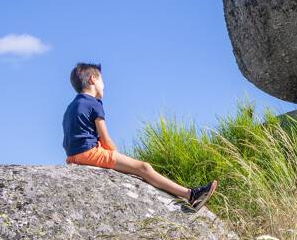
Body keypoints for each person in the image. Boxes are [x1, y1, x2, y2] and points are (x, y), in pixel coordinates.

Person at [63, 62, 215, 211]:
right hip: (88, 153)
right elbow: (105, 138)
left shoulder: (71, 106)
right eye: (102, 81)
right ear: (93, 80)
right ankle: (191, 195)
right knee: (143, 167)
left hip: (72, 157)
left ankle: (190, 194)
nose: (104, 85)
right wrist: (116, 155)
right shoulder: (94, 103)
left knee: (133, 165)